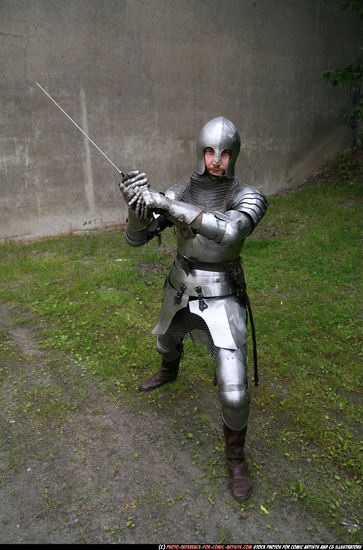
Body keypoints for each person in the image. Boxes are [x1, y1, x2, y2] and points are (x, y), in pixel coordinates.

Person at [119, 116, 267, 502]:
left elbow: (229, 231)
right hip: (180, 286)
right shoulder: (183, 188)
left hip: (224, 295)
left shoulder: (249, 196)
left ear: (234, 156)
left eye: (224, 153)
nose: (216, 160)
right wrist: (135, 205)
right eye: (209, 151)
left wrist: (166, 203)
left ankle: (235, 458)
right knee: (167, 343)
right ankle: (168, 371)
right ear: (200, 152)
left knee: (235, 394)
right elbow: (138, 237)